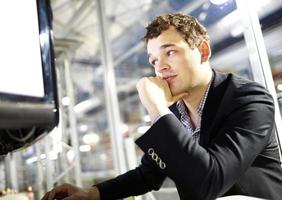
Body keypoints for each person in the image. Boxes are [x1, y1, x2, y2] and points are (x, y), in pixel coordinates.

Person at [41, 13, 282, 200]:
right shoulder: (176, 114)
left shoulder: (249, 99)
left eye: (170, 52)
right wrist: (92, 193)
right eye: (154, 60)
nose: (160, 67)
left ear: (203, 51)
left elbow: (210, 182)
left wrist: (157, 109)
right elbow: (149, 173)